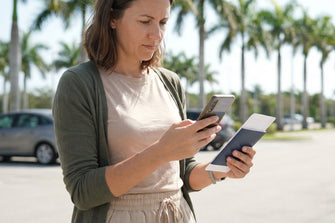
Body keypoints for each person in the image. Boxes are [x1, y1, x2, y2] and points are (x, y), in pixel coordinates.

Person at [52, 0, 256, 222]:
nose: (157, 34)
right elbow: (83, 191)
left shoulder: (169, 81)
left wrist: (221, 169)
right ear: (112, 18)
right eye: (145, 21)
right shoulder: (79, 83)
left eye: (163, 22)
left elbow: (183, 175)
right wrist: (161, 151)